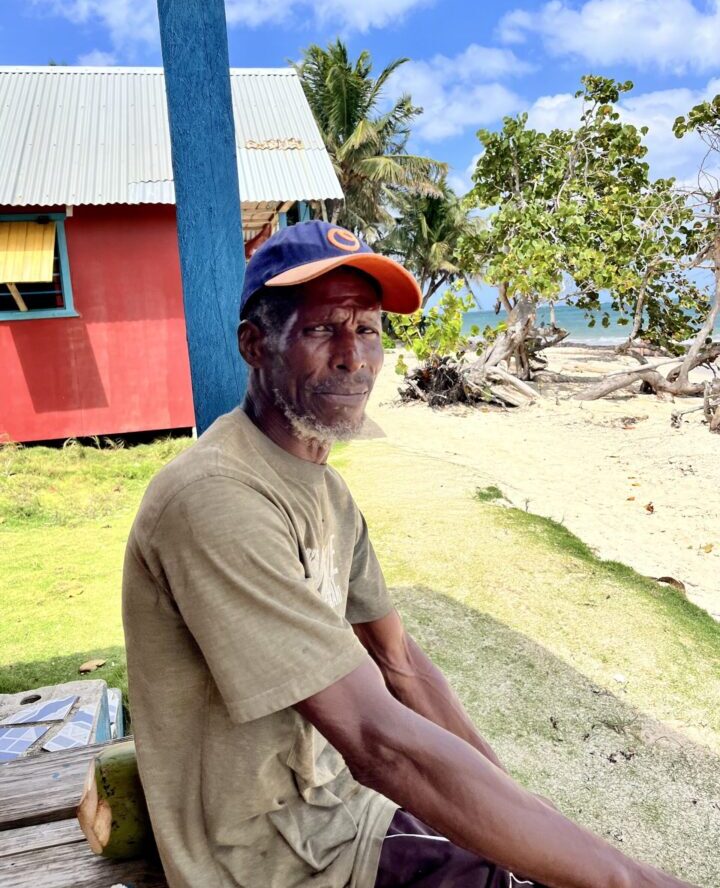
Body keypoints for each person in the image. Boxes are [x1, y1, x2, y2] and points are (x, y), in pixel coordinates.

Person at [122, 221, 695, 888]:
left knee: (531, 864)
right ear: (256, 345)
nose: (353, 356)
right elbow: (377, 741)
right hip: (268, 858)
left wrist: (520, 810)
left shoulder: (328, 493)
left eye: (367, 329)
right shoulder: (216, 498)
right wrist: (628, 879)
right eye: (321, 329)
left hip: (341, 816)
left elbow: (399, 663)